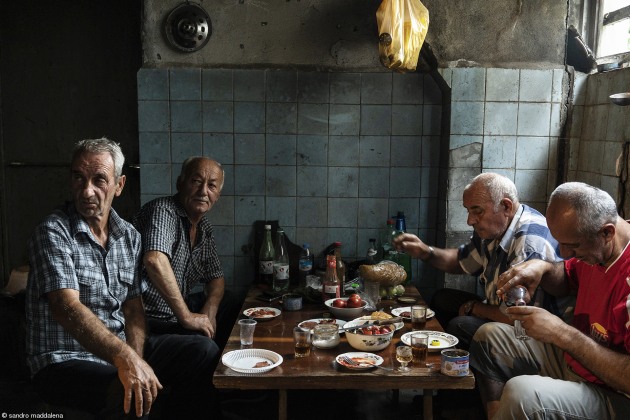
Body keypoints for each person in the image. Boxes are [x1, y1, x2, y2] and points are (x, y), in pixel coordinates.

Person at [25, 138, 217, 419]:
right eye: (79, 177)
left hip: (116, 351)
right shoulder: (53, 232)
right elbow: (66, 308)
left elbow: (132, 309)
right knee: (130, 389)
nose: (87, 191)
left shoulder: (128, 236)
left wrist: (135, 356)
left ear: (119, 185)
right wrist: (126, 359)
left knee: (203, 351)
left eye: (99, 180)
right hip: (64, 360)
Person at [470, 182, 630, 419]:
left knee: (522, 394)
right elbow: (568, 276)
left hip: (616, 393)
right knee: (489, 336)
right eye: (560, 242)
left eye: (572, 245)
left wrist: (561, 333)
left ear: (607, 232)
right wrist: (542, 268)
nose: (564, 253)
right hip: (580, 364)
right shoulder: (598, 248)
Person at [393, 172, 570, 349]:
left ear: (506, 207)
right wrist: (425, 251)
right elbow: (461, 261)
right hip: (501, 308)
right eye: (468, 211)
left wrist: (475, 308)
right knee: (442, 298)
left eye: (477, 211)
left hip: (531, 334)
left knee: (460, 325)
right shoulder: (496, 228)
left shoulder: (528, 245)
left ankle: (459, 371)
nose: (470, 220)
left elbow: (516, 317)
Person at [132, 156, 239, 350]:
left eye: (212, 186)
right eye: (196, 181)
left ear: (217, 195)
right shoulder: (163, 210)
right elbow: (155, 260)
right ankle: (205, 360)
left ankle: (215, 361)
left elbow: (216, 278)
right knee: (204, 349)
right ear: (180, 183)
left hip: (175, 314)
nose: (203, 191)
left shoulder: (203, 227)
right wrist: (187, 317)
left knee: (231, 300)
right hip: (150, 321)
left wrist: (211, 309)